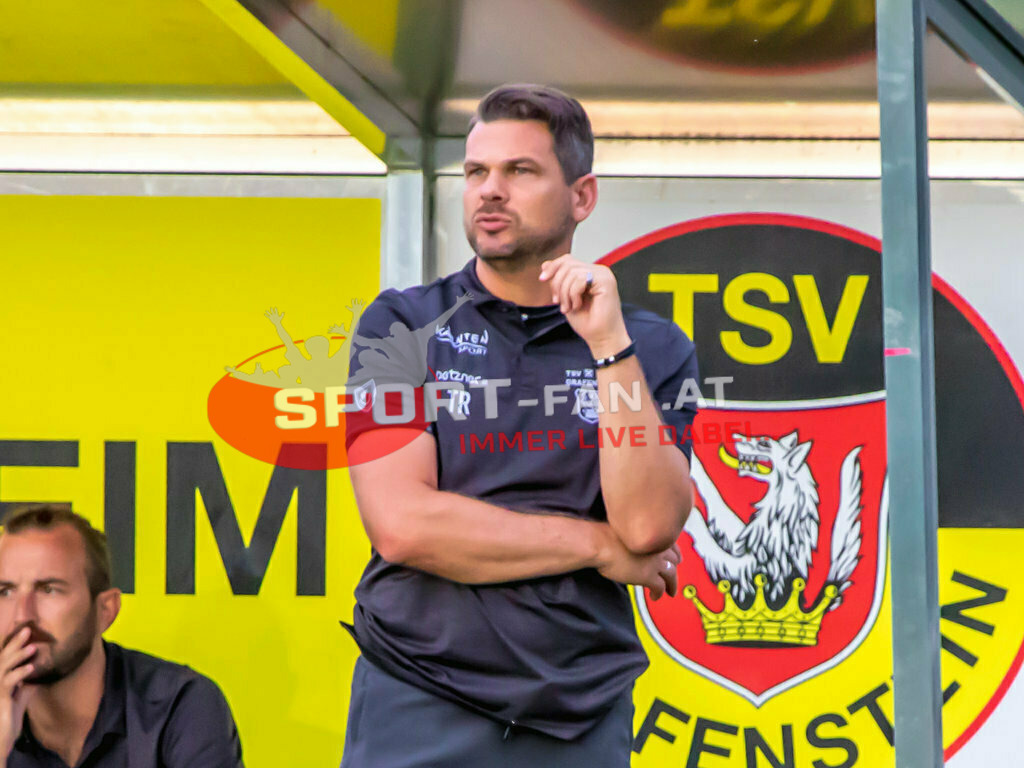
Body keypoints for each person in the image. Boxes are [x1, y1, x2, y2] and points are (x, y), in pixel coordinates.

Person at [341, 84, 698, 767]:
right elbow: (403, 525)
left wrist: (608, 347)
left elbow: (650, 527)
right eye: (477, 172)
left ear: (581, 197)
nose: (488, 191)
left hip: (579, 710)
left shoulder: (649, 346)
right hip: (419, 692)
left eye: (520, 171)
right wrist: (596, 545)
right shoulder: (403, 324)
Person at [0, 504, 244, 768]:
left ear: (106, 611)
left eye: (49, 590)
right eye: (5, 592)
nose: (22, 615)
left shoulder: (179, 706)